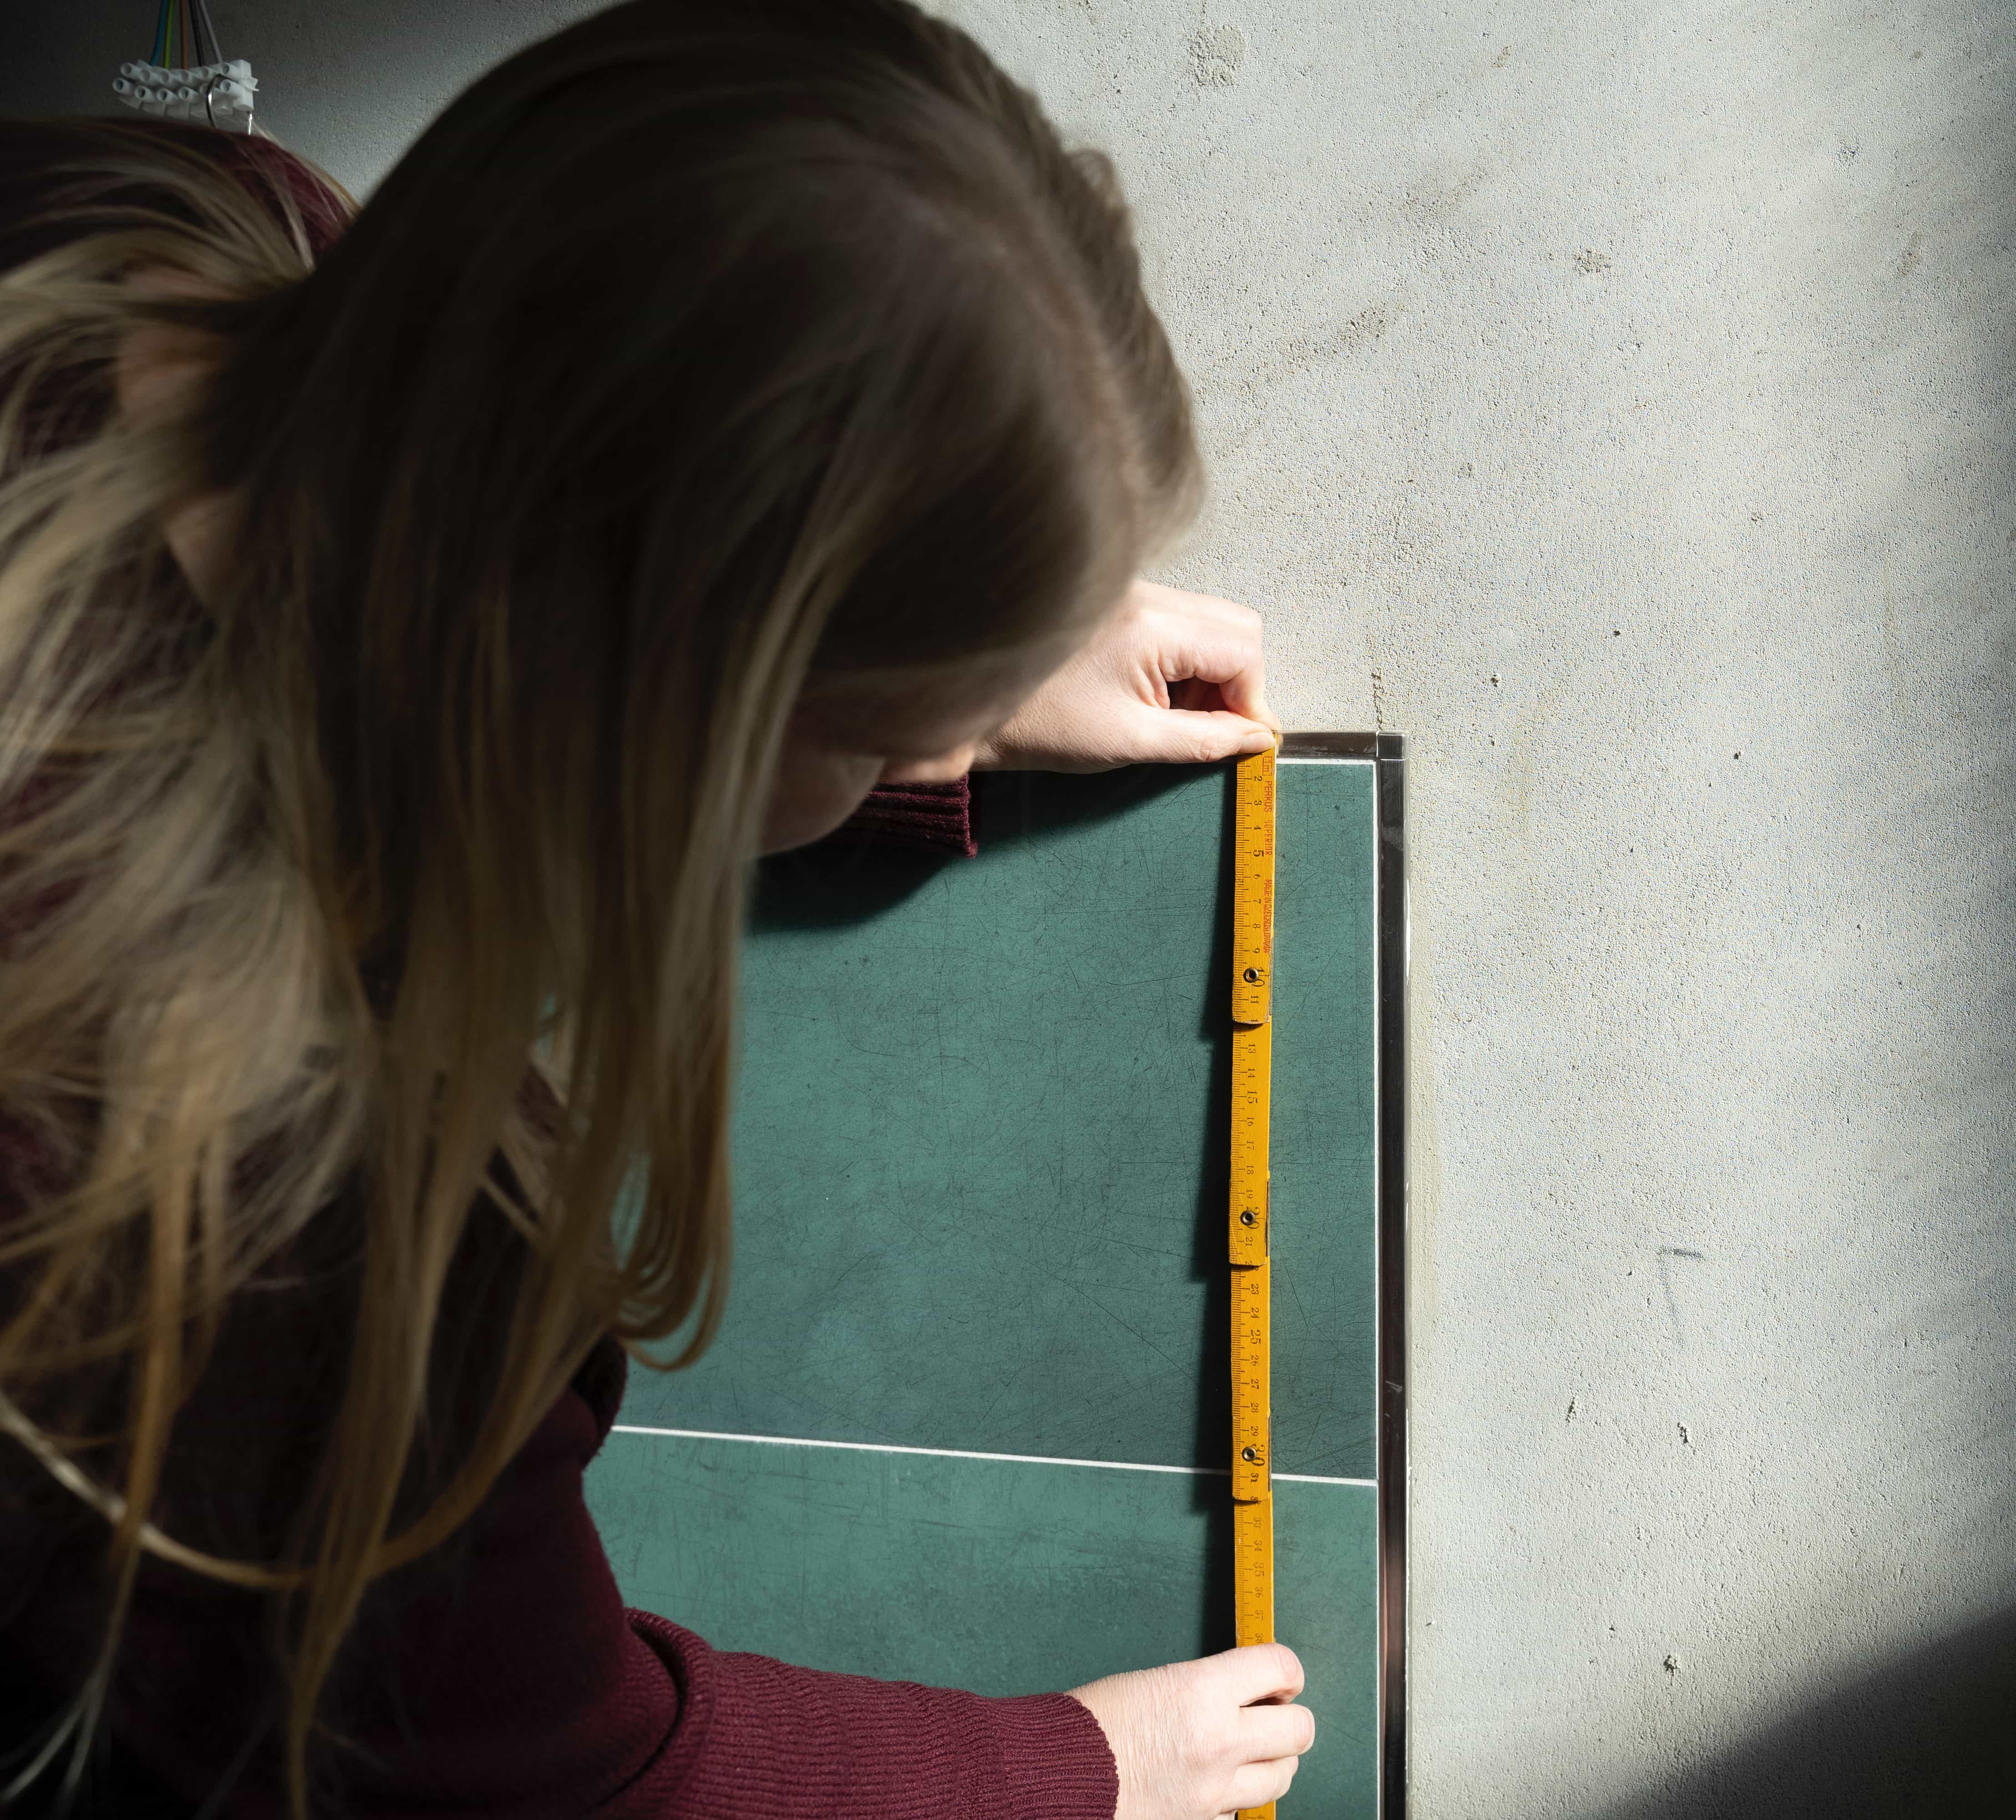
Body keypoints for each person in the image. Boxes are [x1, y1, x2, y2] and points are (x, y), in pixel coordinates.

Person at [0, 2, 1313, 1814]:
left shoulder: (173, 223)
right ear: (681, 713)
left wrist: (932, 653)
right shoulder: (322, 1231)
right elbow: (577, 1786)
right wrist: (1072, 1767)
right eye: (859, 731)